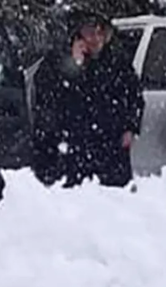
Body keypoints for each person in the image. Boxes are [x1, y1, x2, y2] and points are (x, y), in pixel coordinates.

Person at [31, 10, 144, 188]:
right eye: (91, 32)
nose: (97, 38)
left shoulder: (117, 62)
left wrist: (131, 127)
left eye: (101, 32)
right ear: (77, 35)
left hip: (110, 152)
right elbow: (50, 100)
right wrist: (75, 65)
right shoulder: (55, 63)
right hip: (72, 152)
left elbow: (135, 97)